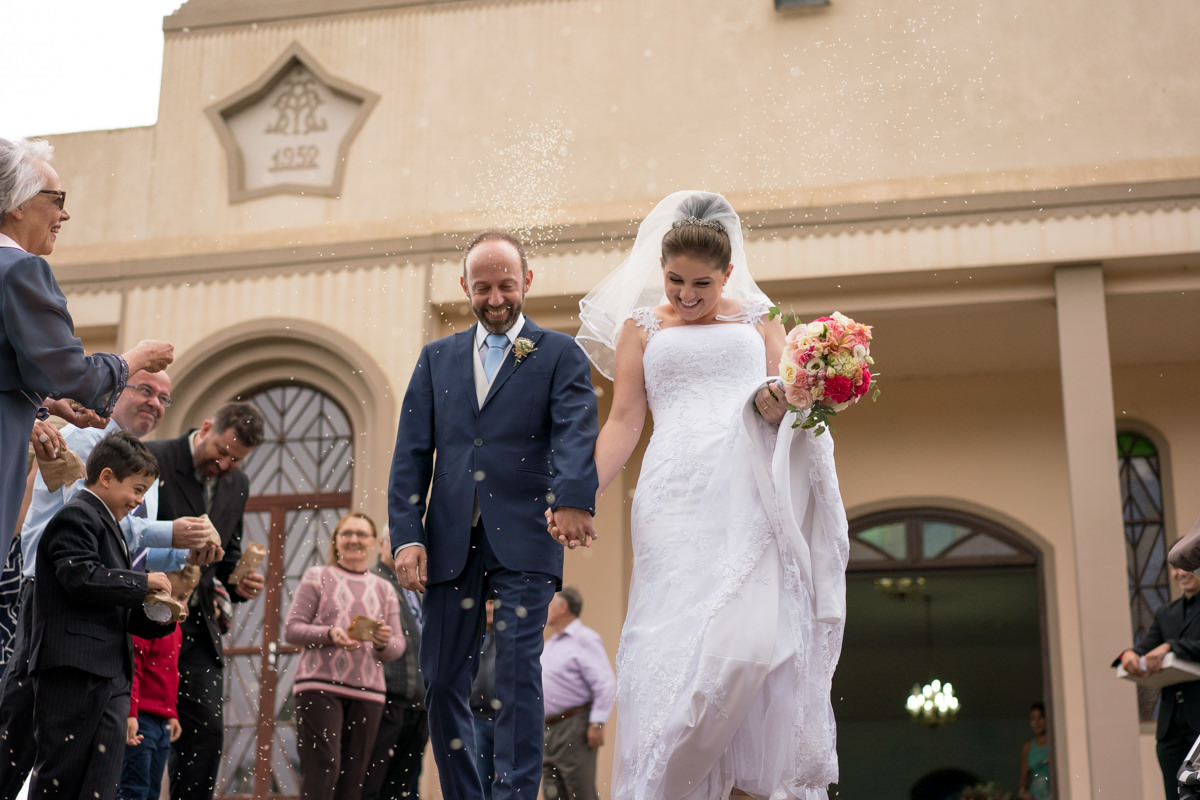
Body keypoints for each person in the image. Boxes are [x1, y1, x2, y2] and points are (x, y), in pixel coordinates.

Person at [574, 190, 848, 800]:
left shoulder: (758, 316)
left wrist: (787, 398)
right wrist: (580, 492)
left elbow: (789, 389)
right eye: (675, 281)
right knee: (670, 635)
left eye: (702, 282)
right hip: (673, 491)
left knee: (752, 640)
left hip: (749, 485)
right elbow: (623, 420)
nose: (687, 295)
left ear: (728, 273)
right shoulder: (641, 328)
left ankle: (751, 784)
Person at [388, 229, 599, 800]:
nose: (496, 298)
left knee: (516, 672)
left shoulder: (559, 353)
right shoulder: (437, 359)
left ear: (527, 281)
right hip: (450, 538)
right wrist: (407, 536)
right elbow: (411, 454)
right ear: (465, 288)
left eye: (507, 284)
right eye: (483, 288)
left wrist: (574, 497)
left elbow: (576, 431)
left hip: (528, 537)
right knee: (440, 679)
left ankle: (513, 795)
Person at [0, 371, 219, 800]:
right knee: (25, 743)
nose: (155, 403)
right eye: (145, 390)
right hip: (51, 611)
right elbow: (82, 542)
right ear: (115, 389)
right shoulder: (85, 440)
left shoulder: (139, 464)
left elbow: (122, 549)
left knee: (93, 769)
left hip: (103, 629)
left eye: (164, 399)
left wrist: (177, 565)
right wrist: (165, 541)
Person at [0, 135, 174, 582]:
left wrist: (46, 404)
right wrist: (134, 358)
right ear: (16, 204)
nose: (65, 213)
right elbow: (74, 374)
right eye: (56, 199)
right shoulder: (22, 270)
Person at [27, 431, 177, 800]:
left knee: (101, 785)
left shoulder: (112, 529)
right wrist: (141, 582)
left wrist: (163, 615)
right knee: (61, 779)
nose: (139, 501)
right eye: (137, 489)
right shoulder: (75, 516)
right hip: (73, 674)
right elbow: (81, 578)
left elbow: (116, 606)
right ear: (107, 477)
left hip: (111, 679)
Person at [146, 401, 267, 800]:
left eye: (236, 459)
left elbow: (227, 553)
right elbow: (132, 531)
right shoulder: (157, 458)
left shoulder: (238, 484)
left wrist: (240, 583)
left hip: (199, 627)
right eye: (221, 451)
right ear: (207, 427)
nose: (226, 464)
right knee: (142, 729)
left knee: (206, 732)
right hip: (149, 616)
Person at [284, 511, 405, 800]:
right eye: (347, 533)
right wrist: (329, 634)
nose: (354, 540)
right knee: (323, 768)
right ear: (336, 540)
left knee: (353, 779)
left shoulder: (385, 589)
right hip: (319, 687)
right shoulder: (318, 576)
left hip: (369, 692)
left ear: (375, 543)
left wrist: (382, 642)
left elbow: (397, 647)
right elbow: (292, 630)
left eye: (361, 534)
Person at [1117, 565, 1200, 800]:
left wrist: (1171, 646)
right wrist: (1129, 655)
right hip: (1170, 725)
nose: (1181, 573)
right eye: (1175, 568)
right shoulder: (1165, 613)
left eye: (1188, 566)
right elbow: (1145, 649)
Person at [119, 565, 201, 800]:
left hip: (161, 723)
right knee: (134, 788)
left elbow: (170, 673)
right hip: (141, 720)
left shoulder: (176, 631)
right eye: (171, 596)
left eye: (183, 597)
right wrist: (130, 713)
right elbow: (134, 669)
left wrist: (172, 712)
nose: (177, 603)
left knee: (153, 791)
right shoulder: (147, 627)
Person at [364, 537, 428, 800]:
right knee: (372, 785)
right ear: (381, 545)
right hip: (386, 699)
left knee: (404, 788)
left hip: (419, 702)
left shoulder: (417, 587)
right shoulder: (371, 583)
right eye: (394, 539)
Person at [540, 587, 616, 800]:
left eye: (550, 603)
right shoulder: (551, 643)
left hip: (574, 726)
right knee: (553, 792)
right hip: (548, 728)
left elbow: (605, 682)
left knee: (578, 791)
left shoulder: (585, 638)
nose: (545, 608)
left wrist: (597, 723)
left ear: (563, 607)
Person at [471, 601, 499, 800]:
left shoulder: (509, 637)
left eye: (493, 604)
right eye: (486, 604)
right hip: (477, 719)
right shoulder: (472, 638)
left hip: (505, 719)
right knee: (480, 780)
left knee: (509, 779)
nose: (489, 608)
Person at [1017, 702, 1051, 800]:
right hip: (1035, 796)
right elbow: (1024, 776)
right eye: (1033, 718)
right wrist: (1022, 792)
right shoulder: (1028, 747)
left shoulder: (1054, 744)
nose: (1037, 722)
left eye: (1041, 717)